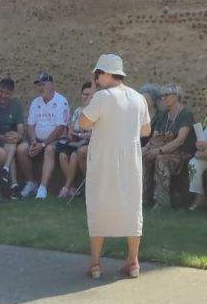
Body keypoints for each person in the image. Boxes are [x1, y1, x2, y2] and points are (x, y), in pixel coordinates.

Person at [78, 53, 151, 279]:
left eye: (98, 74)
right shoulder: (139, 98)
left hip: (104, 160)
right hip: (130, 161)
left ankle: (96, 263)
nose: (96, 78)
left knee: (99, 204)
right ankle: (133, 261)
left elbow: (83, 123)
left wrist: (91, 94)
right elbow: (146, 130)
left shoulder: (103, 97)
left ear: (108, 74)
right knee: (131, 207)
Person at [16, 72, 69, 198]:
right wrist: (34, 141)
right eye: (38, 85)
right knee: (21, 149)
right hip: (38, 140)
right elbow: (31, 125)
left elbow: (60, 128)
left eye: (43, 85)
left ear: (51, 85)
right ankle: (31, 182)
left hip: (56, 140)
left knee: (49, 149)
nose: (40, 88)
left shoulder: (61, 101)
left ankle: (42, 187)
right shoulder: (36, 102)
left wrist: (43, 144)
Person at [141, 84, 194, 207]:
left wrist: (159, 151)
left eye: (166, 95)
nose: (163, 98)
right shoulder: (163, 115)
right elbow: (155, 137)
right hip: (162, 149)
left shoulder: (185, 114)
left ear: (176, 97)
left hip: (181, 153)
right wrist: (147, 148)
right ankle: (142, 197)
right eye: (162, 96)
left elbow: (180, 140)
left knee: (161, 160)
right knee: (141, 155)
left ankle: (161, 201)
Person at [57, 81, 94, 198]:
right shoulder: (78, 111)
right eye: (84, 94)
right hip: (75, 141)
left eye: (89, 94)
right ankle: (72, 187)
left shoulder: (95, 111)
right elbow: (71, 129)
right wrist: (73, 134)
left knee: (74, 155)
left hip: (87, 142)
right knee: (62, 155)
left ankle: (66, 187)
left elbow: (94, 132)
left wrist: (84, 134)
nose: (86, 97)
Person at [0, 78, 25, 197]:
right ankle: (13, 184)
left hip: (10, 140)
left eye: (7, 93)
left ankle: (7, 174)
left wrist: (18, 135)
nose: (3, 96)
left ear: (12, 93)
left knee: (11, 142)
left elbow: (20, 128)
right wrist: (2, 137)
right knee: (10, 146)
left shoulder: (16, 104)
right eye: (1, 92)